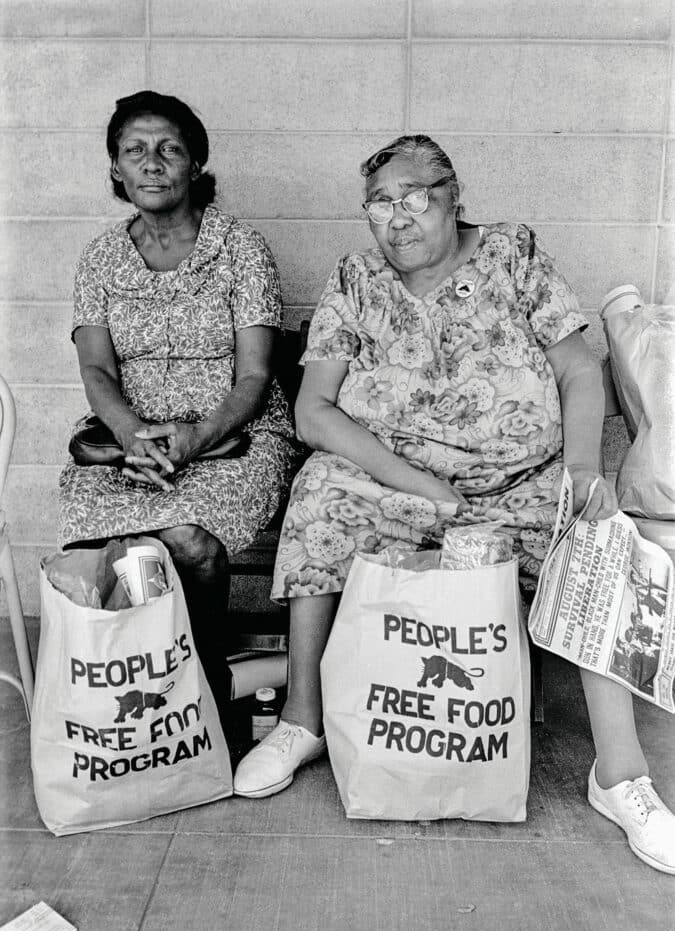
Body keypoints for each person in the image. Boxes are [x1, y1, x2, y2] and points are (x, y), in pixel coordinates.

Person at [233, 134, 675, 874]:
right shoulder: (357, 278)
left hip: (520, 482)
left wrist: (578, 470)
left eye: (415, 197)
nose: (398, 217)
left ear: (452, 194)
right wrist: (416, 483)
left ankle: (620, 777)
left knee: (596, 542)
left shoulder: (513, 255)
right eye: (380, 203)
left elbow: (575, 369)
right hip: (399, 484)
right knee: (318, 498)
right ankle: (301, 719)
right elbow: (314, 413)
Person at [59, 91, 300, 725]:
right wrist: (132, 431)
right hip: (126, 441)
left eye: (170, 149)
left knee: (189, 541)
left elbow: (254, 375)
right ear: (116, 168)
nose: (152, 163)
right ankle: (122, 712)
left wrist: (194, 435)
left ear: (195, 164)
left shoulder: (240, 249)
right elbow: (96, 368)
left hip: (233, 434)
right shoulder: (100, 260)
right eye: (134, 151)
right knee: (94, 545)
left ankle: (201, 708)